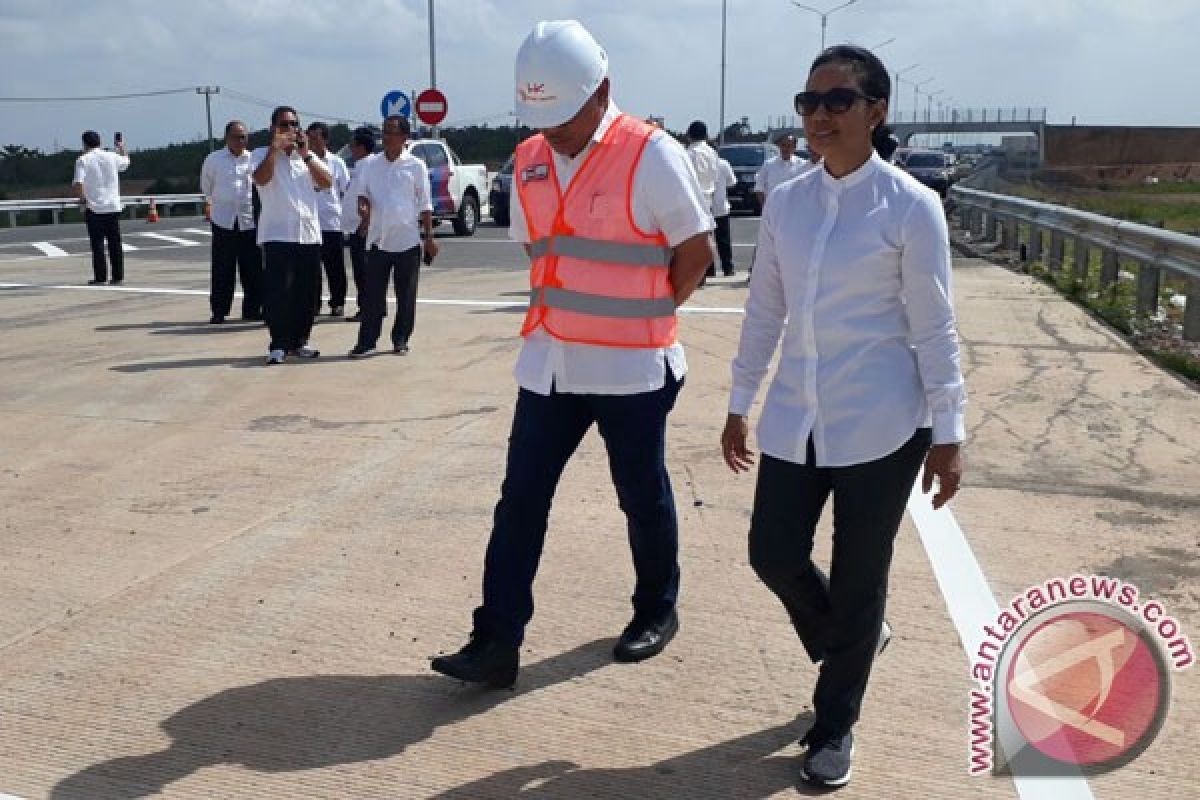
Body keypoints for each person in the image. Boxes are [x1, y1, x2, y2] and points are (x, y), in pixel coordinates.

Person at [432, 20, 713, 688]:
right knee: (520, 500)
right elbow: (539, 247)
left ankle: (655, 610)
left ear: (603, 90)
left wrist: (644, 311)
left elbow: (695, 252)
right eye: (541, 118)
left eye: (564, 117)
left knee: (640, 496)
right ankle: (496, 640)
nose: (553, 132)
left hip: (630, 369)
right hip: (551, 364)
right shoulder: (529, 157)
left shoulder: (651, 154)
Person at [721, 45, 965, 788]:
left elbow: (935, 327)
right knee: (772, 552)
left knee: (862, 575)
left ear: (876, 111)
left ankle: (834, 727)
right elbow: (765, 310)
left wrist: (950, 433)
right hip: (797, 417)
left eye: (837, 101)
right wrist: (739, 402)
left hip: (884, 424)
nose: (819, 116)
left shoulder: (910, 207)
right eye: (809, 102)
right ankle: (852, 639)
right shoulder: (788, 201)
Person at [348, 114, 436, 358]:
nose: (386, 137)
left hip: (406, 240)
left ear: (404, 138)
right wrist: (363, 207)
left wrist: (429, 238)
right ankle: (367, 341)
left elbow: (425, 204)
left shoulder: (415, 166)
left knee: (406, 296)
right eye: (384, 131)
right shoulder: (371, 164)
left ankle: (401, 338)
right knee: (372, 296)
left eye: (392, 132)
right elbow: (362, 192)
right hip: (378, 239)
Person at [251, 106, 332, 365]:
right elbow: (261, 180)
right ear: (273, 128)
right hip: (277, 233)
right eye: (284, 125)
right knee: (278, 293)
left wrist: (307, 155)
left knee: (308, 293)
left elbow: (327, 182)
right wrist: (275, 150)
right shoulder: (261, 155)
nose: (290, 130)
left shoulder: (305, 159)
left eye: (294, 124)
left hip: (308, 234)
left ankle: (300, 341)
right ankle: (278, 344)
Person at [200, 120, 262, 323]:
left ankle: (252, 310)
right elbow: (206, 186)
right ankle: (219, 311)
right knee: (222, 269)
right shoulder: (214, 159)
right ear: (227, 137)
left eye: (244, 136)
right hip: (223, 221)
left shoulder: (253, 159)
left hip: (248, 221)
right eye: (236, 136)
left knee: (252, 269)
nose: (240, 140)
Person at [72, 130, 130, 285]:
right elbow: (126, 162)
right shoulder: (111, 156)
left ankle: (100, 277)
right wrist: (121, 147)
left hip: (94, 208)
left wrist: (82, 199)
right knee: (115, 243)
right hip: (113, 206)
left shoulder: (83, 160)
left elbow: (78, 182)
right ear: (100, 142)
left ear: (84, 144)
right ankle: (118, 277)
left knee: (97, 244)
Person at [306, 121, 351, 317]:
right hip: (309, 222)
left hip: (331, 221)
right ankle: (314, 304)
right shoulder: (302, 161)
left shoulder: (337, 162)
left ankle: (337, 302)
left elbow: (346, 191)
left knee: (335, 267)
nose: (313, 142)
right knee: (312, 269)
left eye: (317, 138)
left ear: (325, 139)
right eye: (310, 138)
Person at [342, 127, 377, 322]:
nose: (350, 149)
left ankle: (368, 309)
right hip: (356, 227)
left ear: (362, 147)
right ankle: (368, 308)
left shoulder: (368, 166)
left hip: (363, 228)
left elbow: (369, 196)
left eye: (352, 145)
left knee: (364, 273)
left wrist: (366, 222)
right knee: (361, 271)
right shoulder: (361, 165)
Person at [685, 121, 719, 282]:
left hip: (693, 199)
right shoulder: (712, 152)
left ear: (690, 134)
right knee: (707, 237)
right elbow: (715, 175)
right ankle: (708, 271)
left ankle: (698, 276)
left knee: (692, 241)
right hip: (708, 198)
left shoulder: (690, 153)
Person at [753, 132, 808, 211]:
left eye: (789, 146)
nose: (785, 149)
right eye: (783, 145)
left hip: (796, 210)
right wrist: (766, 208)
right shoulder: (768, 165)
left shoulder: (803, 165)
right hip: (774, 210)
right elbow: (759, 188)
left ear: (794, 147)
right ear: (779, 146)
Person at [712, 153, 737, 276]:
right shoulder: (723, 163)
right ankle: (728, 268)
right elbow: (732, 182)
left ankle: (709, 271)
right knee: (724, 240)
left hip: (704, 208)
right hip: (721, 207)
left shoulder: (697, 161)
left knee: (707, 241)